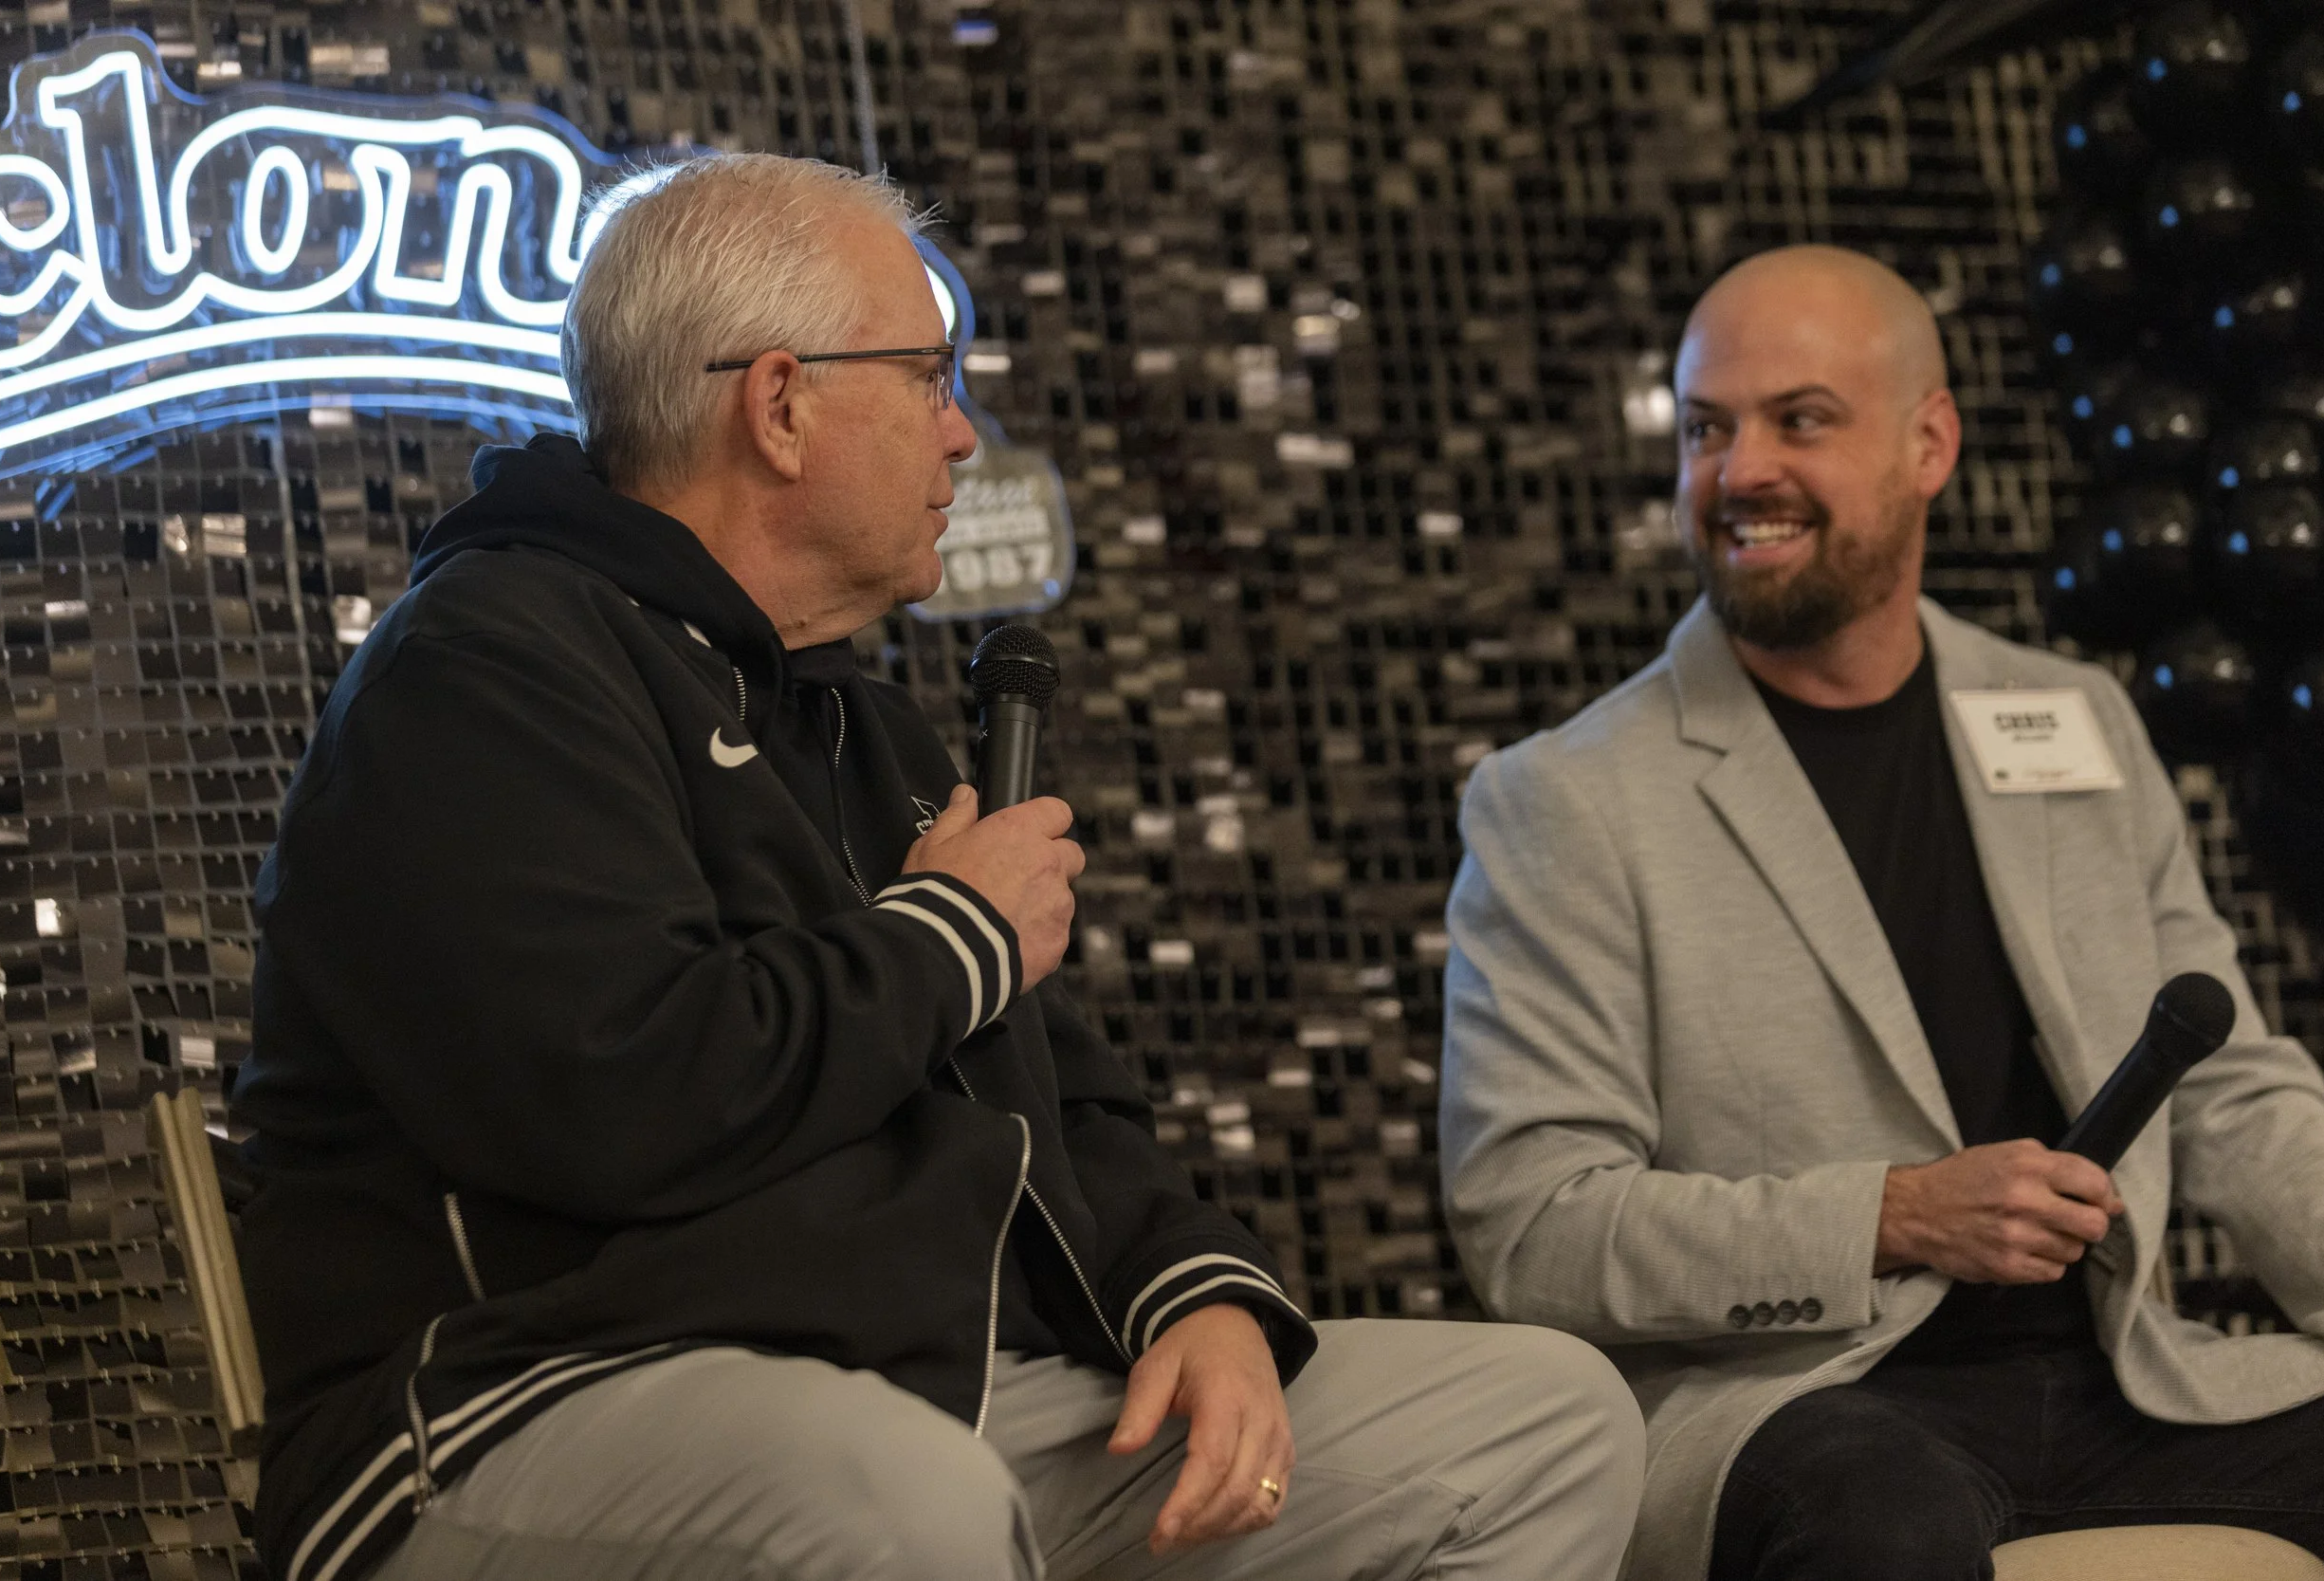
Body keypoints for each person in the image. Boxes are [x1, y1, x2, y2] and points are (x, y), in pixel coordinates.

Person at [231, 152, 1644, 1581]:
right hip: (530, 1399)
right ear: (780, 406)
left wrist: (1191, 1289)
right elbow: (613, 1090)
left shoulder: (855, 718)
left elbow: (1056, 1098)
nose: (964, 435)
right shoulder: (485, 666)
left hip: (920, 1392)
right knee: (902, 1501)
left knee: (1544, 1426)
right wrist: (952, 932)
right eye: (928, 377)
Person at [1437, 244, 2324, 1581]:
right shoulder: (1564, 800)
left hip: (2123, 1381)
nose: (1739, 470)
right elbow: (1534, 1227)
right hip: (1806, 1406)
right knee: (1888, 1524)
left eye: (1800, 419)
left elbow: (2229, 1094)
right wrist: (1896, 1211)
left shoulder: (2072, 719)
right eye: (1707, 429)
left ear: (1930, 444)